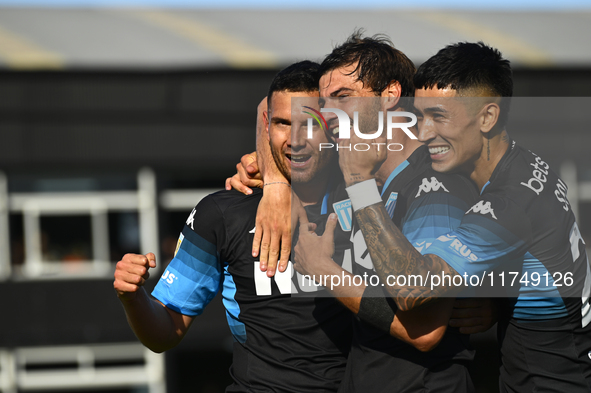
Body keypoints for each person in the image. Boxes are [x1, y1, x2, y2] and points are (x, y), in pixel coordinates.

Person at [299, 41, 591, 391]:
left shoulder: (498, 197)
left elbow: (415, 296)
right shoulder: (518, 165)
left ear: (487, 116)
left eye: (438, 116)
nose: (423, 133)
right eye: (419, 116)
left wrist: (356, 191)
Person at [114, 61, 354, 392]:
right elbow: (167, 330)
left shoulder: (370, 202)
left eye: (309, 123)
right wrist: (133, 297)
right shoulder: (222, 214)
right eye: (283, 123)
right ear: (267, 126)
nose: (295, 140)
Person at [291, 32, 482, 392]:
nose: (327, 113)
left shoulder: (437, 183)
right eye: (323, 101)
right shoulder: (356, 177)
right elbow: (268, 116)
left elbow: (426, 329)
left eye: (343, 97)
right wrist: (269, 181)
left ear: (391, 95)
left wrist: (323, 270)